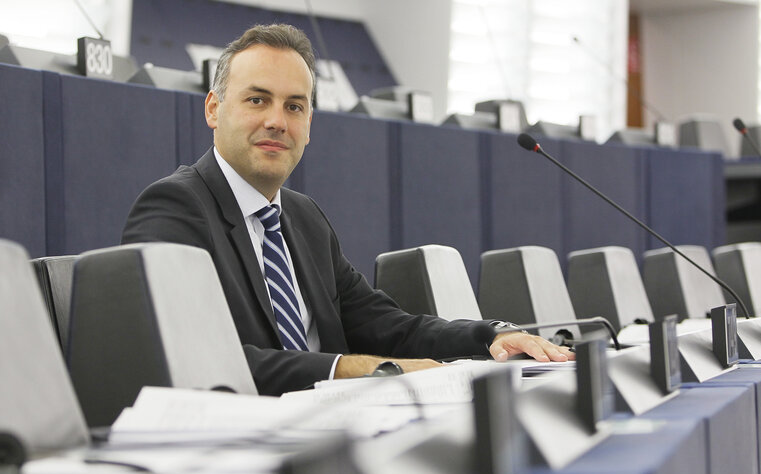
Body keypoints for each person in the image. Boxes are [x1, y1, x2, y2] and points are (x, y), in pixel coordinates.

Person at [122, 24, 573, 396]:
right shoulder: (175, 207)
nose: (277, 121)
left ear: (309, 126)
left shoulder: (304, 218)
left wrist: (490, 335)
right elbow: (193, 356)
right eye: (257, 100)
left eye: (294, 106)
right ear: (214, 109)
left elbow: (387, 327)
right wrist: (356, 370)